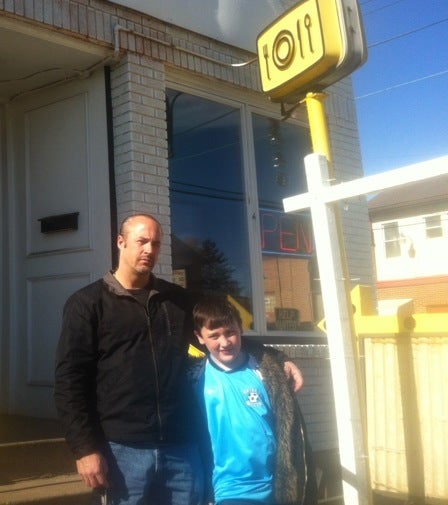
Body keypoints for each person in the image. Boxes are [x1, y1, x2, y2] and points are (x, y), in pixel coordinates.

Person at [54, 213, 304, 505]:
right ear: (120, 242)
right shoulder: (88, 304)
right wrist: (85, 448)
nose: (149, 249)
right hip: (123, 450)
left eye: (156, 243)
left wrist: (275, 357)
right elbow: (70, 381)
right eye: (141, 241)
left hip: (181, 448)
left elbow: (220, 335)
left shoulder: (177, 301)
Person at [191, 294, 317, 505]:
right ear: (199, 337)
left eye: (230, 332)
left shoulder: (269, 372)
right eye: (214, 336)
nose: (224, 342)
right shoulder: (195, 381)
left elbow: (291, 432)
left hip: (276, 487)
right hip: (227, 490)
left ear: (241, 328)